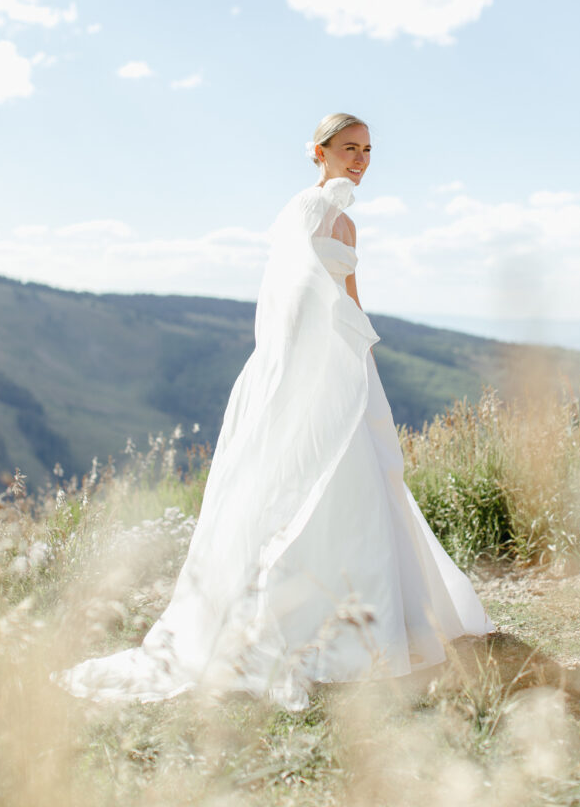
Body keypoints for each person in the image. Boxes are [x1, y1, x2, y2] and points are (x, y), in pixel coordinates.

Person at [53, 112, 494, 711]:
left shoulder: (339, 219)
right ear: (320, 151)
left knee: (359, 484)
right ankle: (326, 637)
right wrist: (309, 365)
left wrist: (360, 356)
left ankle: (368, 631)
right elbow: (293, 294)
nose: (360, 159)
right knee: (326, 480)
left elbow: (349, 295)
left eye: (367, 150)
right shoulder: (314, 209)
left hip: (341, 360)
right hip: (310, 364)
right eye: (349, 148)